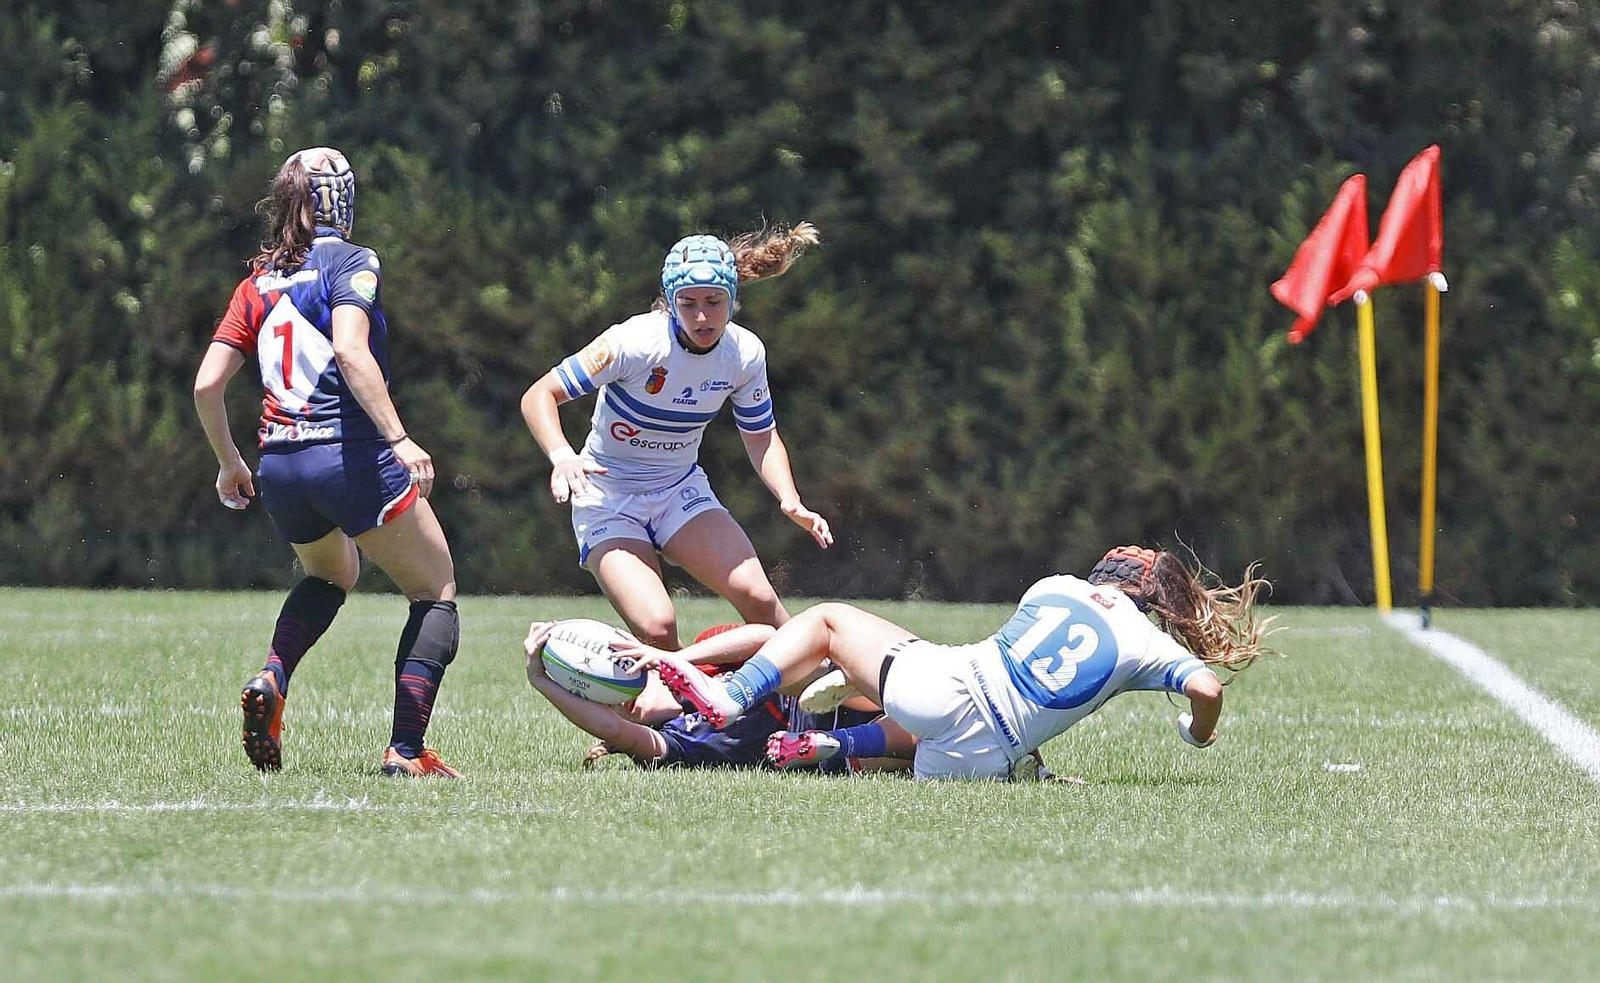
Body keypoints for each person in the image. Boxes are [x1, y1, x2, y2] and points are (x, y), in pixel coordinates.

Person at [193, 147, 461, 778]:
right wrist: (399, 438)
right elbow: (349, 348)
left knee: (331, 574)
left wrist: (231, 463)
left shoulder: (253, 283)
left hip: (280, 464)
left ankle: (272, 675)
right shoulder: (350, 259)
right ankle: (406, 750)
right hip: (349, 457)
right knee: (435, 590)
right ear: (335, 199)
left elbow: (207, 386)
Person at [644, 546, 1275, 781]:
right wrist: (1197, 732)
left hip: (943, 688)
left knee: (830, 621)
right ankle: (844, 748)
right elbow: (1206, 684)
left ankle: (732, 698)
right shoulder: (1149, 644)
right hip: (983, 760)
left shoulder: (1053, 586)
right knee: (969, 746)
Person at [519, 226, 832, 651]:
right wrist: (561, 455)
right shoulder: (633, 341)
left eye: (714, 303)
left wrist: (788, 497)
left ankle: (815, 703)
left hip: (678, 489)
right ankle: (683, 715)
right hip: (607, 497)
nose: (702, 317)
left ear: (733, 298)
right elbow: (540, 395)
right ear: (670, 302)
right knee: (658, 626)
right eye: (688, 305)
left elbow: (761, 435)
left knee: (760, 599)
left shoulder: (744, 354)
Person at [523, 621, 911, 771]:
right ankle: (829, 743)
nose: (619, 707)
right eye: (604, 701)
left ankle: (731, 699)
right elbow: (613, 728)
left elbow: (765, 637)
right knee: (910, 745)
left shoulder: (705, 658)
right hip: (818, 750)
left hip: (824, 690)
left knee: (805, 675)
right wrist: (541, 681)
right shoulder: (674, 744)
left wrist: (676, 659)